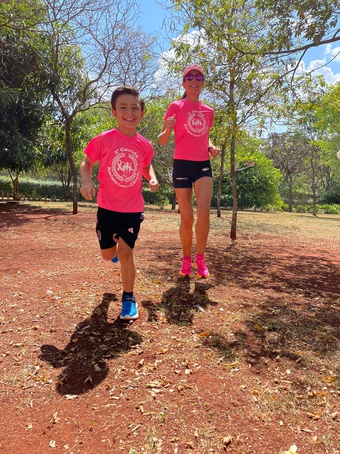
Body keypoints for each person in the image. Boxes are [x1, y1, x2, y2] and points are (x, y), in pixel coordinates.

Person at [80, 86, 159, 320]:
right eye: (123, 107)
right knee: (108, 255)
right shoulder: (103, 140)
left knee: (126, 253)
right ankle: (112, 251)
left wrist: (151, 178)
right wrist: (86, 181)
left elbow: (145, 166)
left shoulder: (146, 145)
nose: (129, 112)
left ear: (142, 113)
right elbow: (87, 163)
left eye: (135, 108)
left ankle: (128, 298)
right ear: (114, 112)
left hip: (132, 209)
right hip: (106, 207)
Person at [158, 65, 220, 279]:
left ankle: (200, 259)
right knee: (187, 217)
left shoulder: (209, 111)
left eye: (199, 77)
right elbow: (162, 140)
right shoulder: (175, 106)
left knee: (204, 212)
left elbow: (205, 137)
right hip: (182, 164)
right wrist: (167, 127)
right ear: (183, 83)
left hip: (202, 165)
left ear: (203, 83)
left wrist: (211, 147)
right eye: (190, 77)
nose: (195, 80)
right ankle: (186, 260)